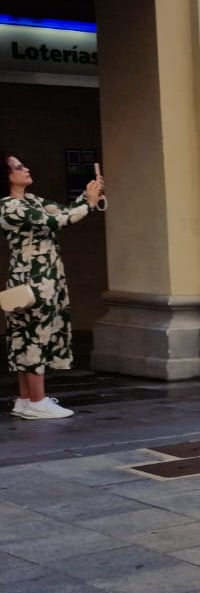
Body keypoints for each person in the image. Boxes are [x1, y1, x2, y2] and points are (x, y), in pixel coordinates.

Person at [4, 152, 106, 419]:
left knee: (28, 336)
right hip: (32, 280)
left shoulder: (32, 201)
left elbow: (62, 211)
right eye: (18, 166)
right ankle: (37, 402)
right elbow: (57, 220)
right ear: (7, 176)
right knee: (32, 336)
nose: (25, 168)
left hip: (44, 277)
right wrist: (89, 204)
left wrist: (88, 196)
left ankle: (25, 399)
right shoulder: (11, 207)